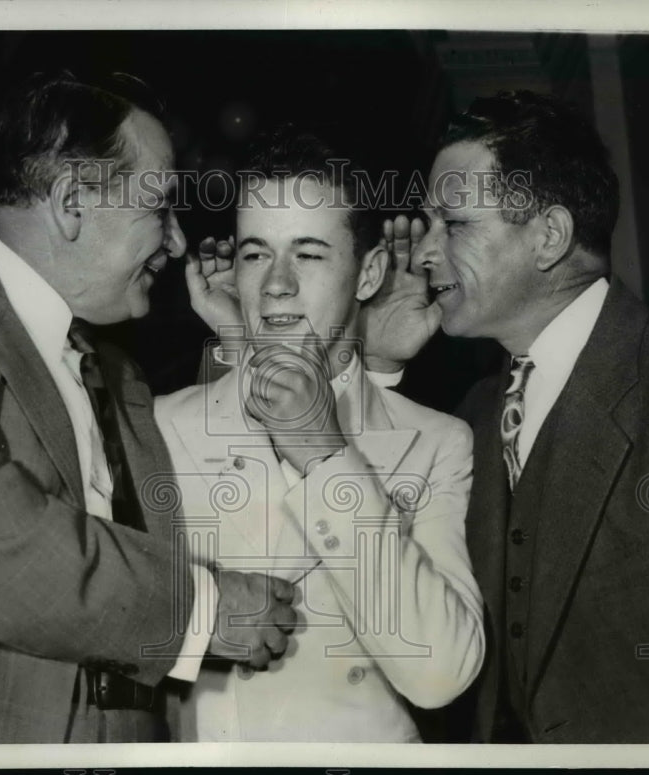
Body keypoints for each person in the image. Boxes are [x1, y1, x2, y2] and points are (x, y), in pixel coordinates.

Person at [0, 71, 297, 745]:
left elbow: (209, 502)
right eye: (160, 208)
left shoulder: (117, 372)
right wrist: (203, 612)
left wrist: (237, 344)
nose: (179, 242)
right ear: (73, 201)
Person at [364, 90, 649, 742]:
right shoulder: (474, 414)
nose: (424, 253)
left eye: (452, 224)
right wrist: (376, 359)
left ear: (549, 236)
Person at [157, 128, 485, 741]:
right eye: (256, 254)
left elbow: (439, 673)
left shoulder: (437, 442)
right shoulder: (162, 425)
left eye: (307, 254)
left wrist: (322, 451)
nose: (276, 283)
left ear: (369, 275)